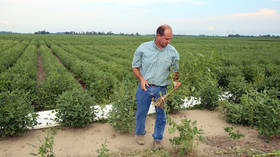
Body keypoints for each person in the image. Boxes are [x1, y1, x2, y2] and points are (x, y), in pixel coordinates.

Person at [131, 24, 181, 148]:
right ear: (158, 35)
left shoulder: (172, 51)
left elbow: (175, 70)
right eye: (166, 39)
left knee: (161, 115)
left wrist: (176, 81)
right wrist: (141, 79)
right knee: (142, 112)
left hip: (162, 89)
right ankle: (140, 134)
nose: (168, 42)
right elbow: (135, 67)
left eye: (170, 39)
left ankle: (157, 139)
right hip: (145, 87)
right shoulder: (143, 48)